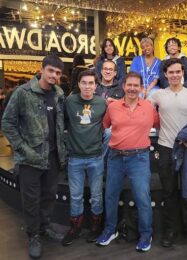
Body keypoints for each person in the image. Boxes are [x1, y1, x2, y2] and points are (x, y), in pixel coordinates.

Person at [1, 55, 66, 259]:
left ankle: (45, 226)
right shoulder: (23, 93)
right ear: (42, 69)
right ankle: (33, 235)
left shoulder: (59, 94)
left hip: (53, 156)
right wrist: (21, 148)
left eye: (58, 73)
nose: (54, 75)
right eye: (51, 71)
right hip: (31, 158)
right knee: (31, 200)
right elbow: (7, 123)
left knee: (48, 196)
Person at [96, 71, 159, 252]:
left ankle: (146, 234)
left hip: (139, 158)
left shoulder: (148, 107)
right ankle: (110, 230)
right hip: (115, 157)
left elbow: (159, 124)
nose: (132, 88)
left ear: (141, 88)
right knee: (111, 195)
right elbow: (104, 125)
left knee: (142, 197)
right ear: (123, 86)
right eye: (129, 85)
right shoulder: (113, 107)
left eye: (136, 86)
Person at [148, 58, 187, 248]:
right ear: (165, 74)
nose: (174, 75)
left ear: (183, 72)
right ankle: (170, 230)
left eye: (177, 72)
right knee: (169, 192)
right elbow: (141, 107)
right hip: (166, 148)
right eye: (170, 72)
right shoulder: (158, 95)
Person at [62, 69, 106, 246]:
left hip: (96, 157)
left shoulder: (102, 103)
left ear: (96, 86)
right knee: (75, 196)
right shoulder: (69, 101)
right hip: (75, 158)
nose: (87, 86)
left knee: (96, 195)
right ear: (78, 84)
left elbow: (110, 126)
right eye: (84, 83)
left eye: (91, 83)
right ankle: (75, 228)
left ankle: (96, 228)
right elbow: (62, 123)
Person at [95, 60, 125, 158]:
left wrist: (117, 104)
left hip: (112, 124)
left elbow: (127, 108)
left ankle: (101, 161)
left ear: (115, 73)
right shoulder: (93, 86)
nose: (108, 72)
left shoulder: (121, 89)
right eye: (105, 69)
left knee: (109, 132)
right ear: (101, 71)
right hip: (94, 121)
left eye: (110, 69)